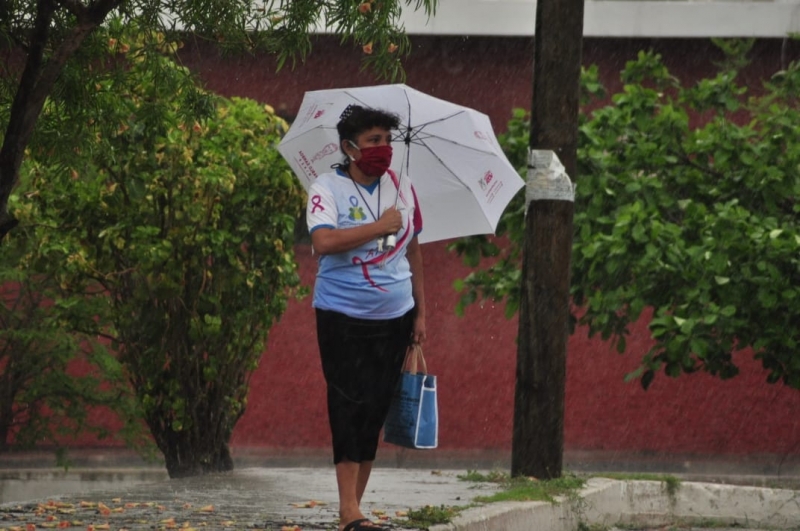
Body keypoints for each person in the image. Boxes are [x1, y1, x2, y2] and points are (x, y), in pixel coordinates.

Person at [305, 104, 427, 531]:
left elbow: (413, 251)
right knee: (347, 402)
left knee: (375, 407)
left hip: (395, 316)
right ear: (349, 147)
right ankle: (348, 510)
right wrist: (378, 226)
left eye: (388, 141)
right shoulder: (327, 187)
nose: (384, 149)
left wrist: (420, 313)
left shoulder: (403, 187)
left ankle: (353, 512)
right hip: (342, 316)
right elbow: (323, 241)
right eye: (374, 141)